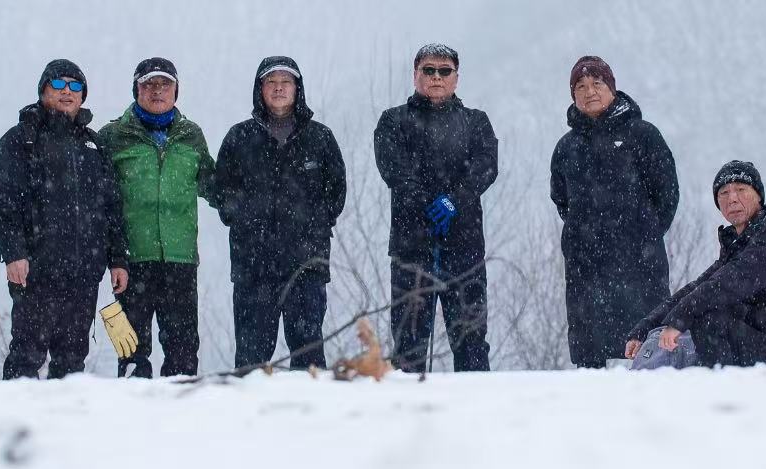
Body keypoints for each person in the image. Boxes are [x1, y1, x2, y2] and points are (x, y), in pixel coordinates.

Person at [0, 59, 130, 379]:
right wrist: (13, 253)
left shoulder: (94, 145)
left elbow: (111, 207)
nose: (67, 91)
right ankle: (15, 411)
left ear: (83, 96)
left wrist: (118, 260)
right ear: (43, 91)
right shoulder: (20, 139)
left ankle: (65, 414)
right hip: (36, 270)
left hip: (83, 272)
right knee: (26, 357)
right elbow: (3, 202)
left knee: (72, 364)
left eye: (75, 86)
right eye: (59, 84)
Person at [212, 56, 347, 371]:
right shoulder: (239, 137)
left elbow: (336, 192)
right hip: (253, 267)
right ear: (259, 89)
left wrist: (312, 225)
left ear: (297, 88)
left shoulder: (320, 138)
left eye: (286, 82)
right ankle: (248, 405)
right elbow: (223, 192)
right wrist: (246, 221)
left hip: (306, 265)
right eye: (271, 82)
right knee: (252, 362)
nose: (278, 88)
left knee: (309, 358)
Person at [374, 43, 498, 373]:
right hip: (411, 248)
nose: (436, 77)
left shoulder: (475, 122)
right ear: (415, 75)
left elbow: (485, 167)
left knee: (471, 341)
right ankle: (407, 405)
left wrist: (453, 201)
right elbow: (395, 171)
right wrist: (427, 206)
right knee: (409, 344)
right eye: (428, 70)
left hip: (465, 248)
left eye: (445, 71)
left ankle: (475, 405)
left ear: (456, 77)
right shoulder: (393, 121)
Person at [550, 55, 678, 368]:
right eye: (580, 86)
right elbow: (561, 199)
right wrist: (584, 232)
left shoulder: (643, 135)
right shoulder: (566, 147)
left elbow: (667, 194)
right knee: (589, 353)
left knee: (646, 351)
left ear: (611, 88)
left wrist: (643, 231)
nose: (589, 91)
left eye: (596, 83)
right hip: (586, 263)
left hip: (639, 260)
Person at [625, 160, 766, 368]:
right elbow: (697, 288)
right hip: (754, 343)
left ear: (758, 196)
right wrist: (645, 328)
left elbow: (729, 284)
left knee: (708, 319)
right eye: (724, 193)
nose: (732, 199)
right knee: (695, 320)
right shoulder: (738, 245)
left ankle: (721, 385)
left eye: (741, 189)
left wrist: (679, 320)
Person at [97, 57, 214, 378]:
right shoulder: (113, 136)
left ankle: (183, 407)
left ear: (177, 91)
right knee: (131, 352)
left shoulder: (191, 135)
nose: (157, 90)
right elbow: (98, 199)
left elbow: (215, 186)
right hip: (131, 260)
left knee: (183, 352)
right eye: (149, 84)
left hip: (180, 258)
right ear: (136, 90)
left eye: (165, 84)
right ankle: (130, 404)